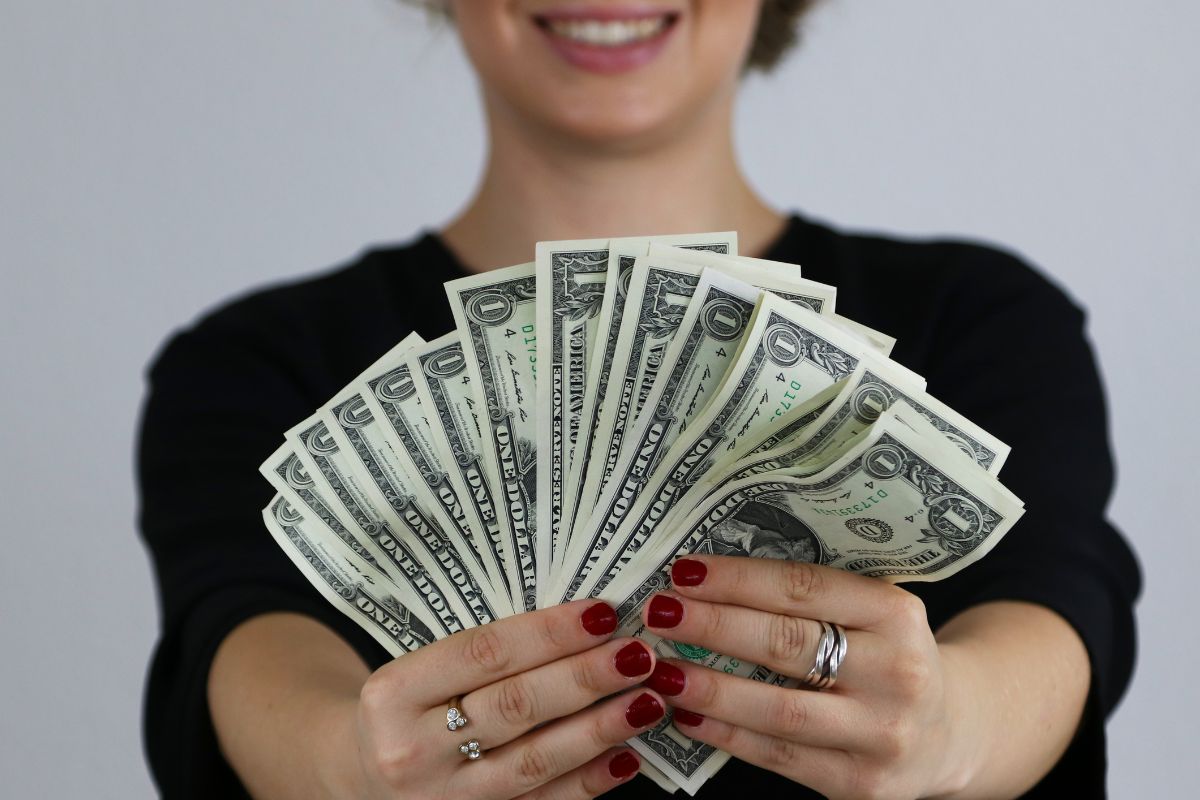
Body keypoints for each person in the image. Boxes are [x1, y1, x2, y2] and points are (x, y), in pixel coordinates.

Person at [137, 2, 1140, 798]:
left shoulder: (982, 319)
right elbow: (238, 640)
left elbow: (1055, 606)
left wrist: (950, 720)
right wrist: (351, 763)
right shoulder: (253, 362)